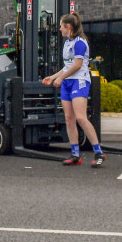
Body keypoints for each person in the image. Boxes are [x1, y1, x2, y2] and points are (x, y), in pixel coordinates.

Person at [42, 13, 104, 167]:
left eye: (61, 26)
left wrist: (61, 78)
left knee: (81, 118)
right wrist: (53, 76)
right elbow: (67, 67)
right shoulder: (67, 43)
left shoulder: (80, 42)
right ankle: (75, 154)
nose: (60, 29)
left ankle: (98, 152)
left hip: (80, 81)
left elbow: (77, 65)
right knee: (69, 118)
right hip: (68, 82)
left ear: (68, 27)